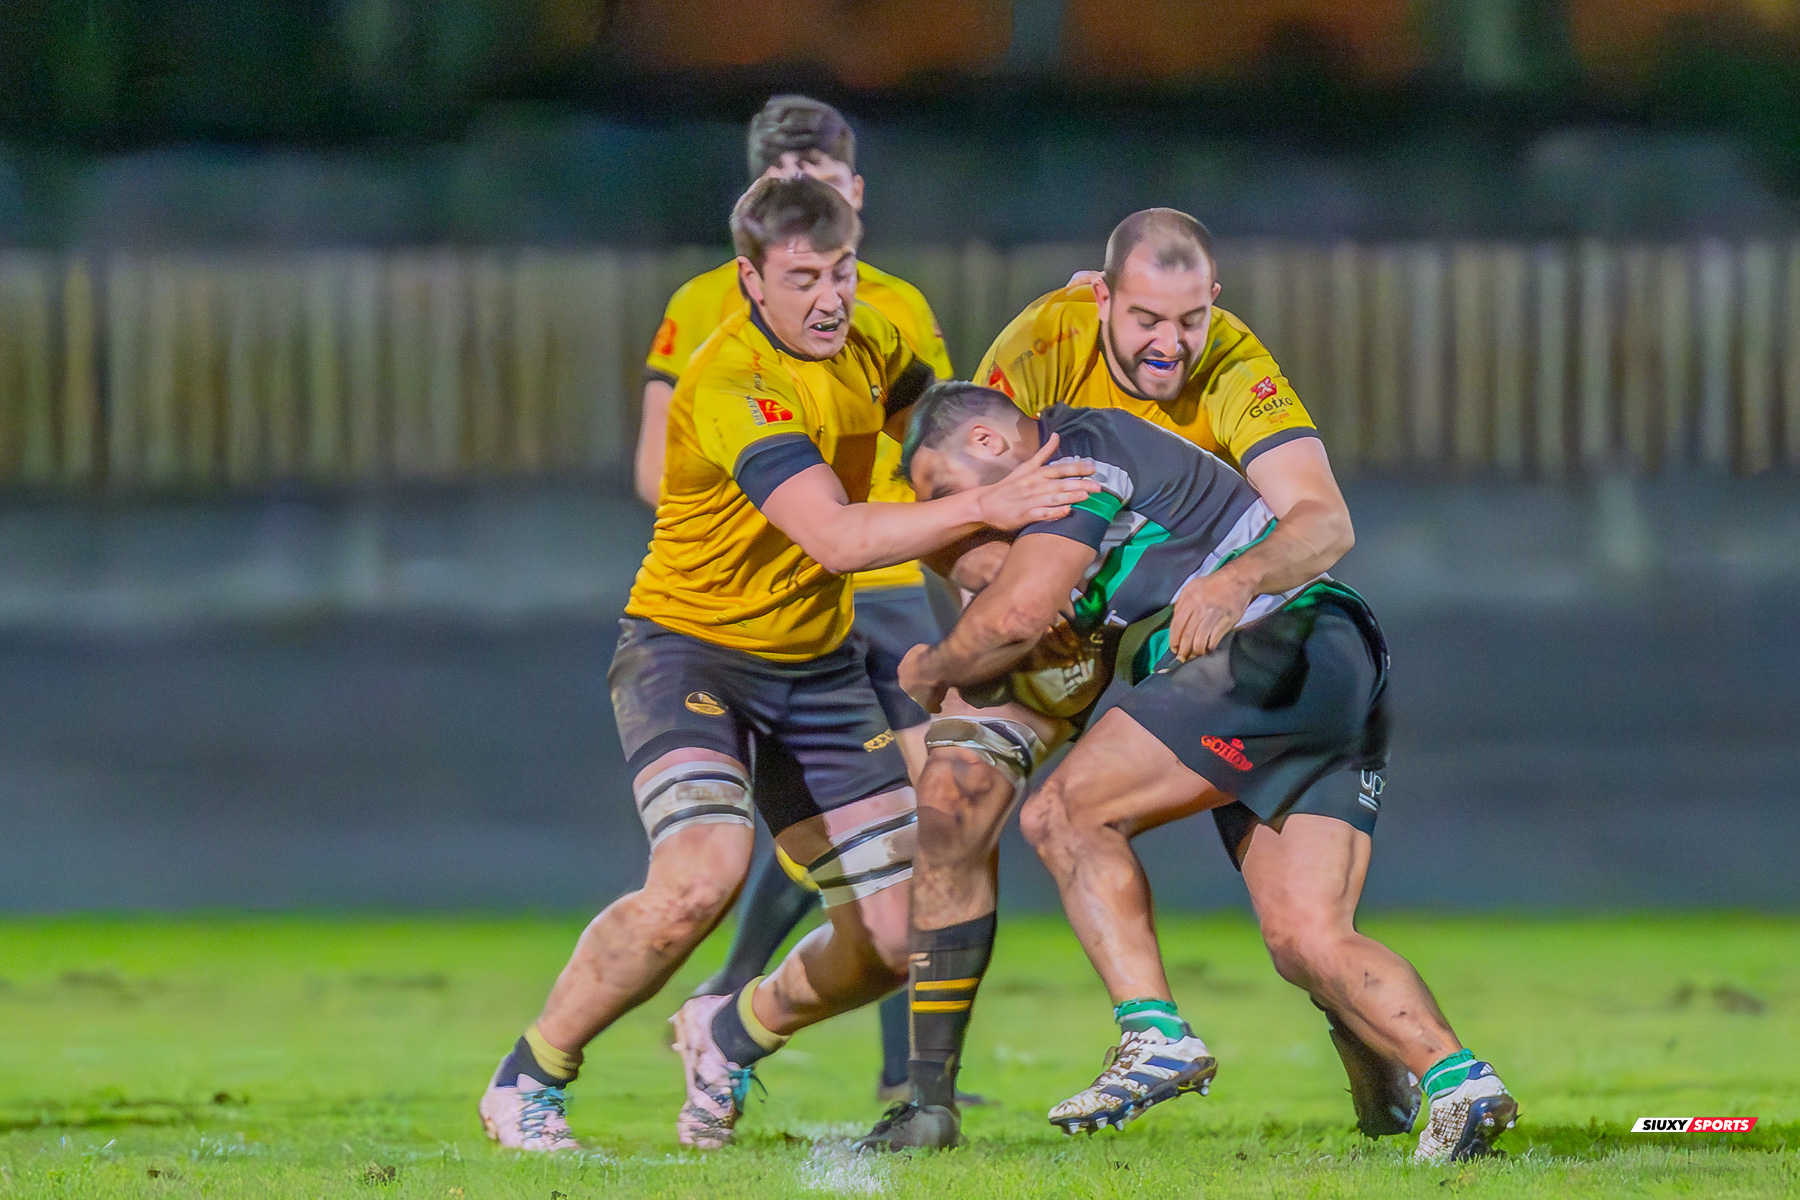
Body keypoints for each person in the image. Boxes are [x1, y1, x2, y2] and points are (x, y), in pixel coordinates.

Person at [858, 209, 1502, 1156]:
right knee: (1305, 938)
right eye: (1147, 320)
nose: (1172, 342)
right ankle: (1457, 1080)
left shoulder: (1076, 444)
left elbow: (1019, 608)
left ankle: (1151, 1037)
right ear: (1100, 298)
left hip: (1268, 637)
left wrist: (937, 667)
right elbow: (994, 570)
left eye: (1189, 320)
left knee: (1062, 815)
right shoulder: (1037, 348)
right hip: (1331, 653)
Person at [477, 176, 1097, 1152]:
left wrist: (1074, 321)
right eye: (802, 277)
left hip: (813, 670)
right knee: (698, 878)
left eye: (842, 272)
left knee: (901, 935)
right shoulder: (730, 380)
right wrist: (996, 509)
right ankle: (531, 1076)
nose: (827, 297)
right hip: (691, 654)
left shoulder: (875, 345)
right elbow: (841, 540)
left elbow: (958, 443)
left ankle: (727, 1033)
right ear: (750, 280)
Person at [635, 94, 963, 1104]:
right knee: (828, 820)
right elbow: (659, 466)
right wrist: (790, 508)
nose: (813, 208)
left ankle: (915, 1082)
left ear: (856, 194)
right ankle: (739, 1002)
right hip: (780, 596)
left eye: (828, 188)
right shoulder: (706, 310)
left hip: (890, 585)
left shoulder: (896, 309)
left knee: (931, 815)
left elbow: (949, 451)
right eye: (790, 192)